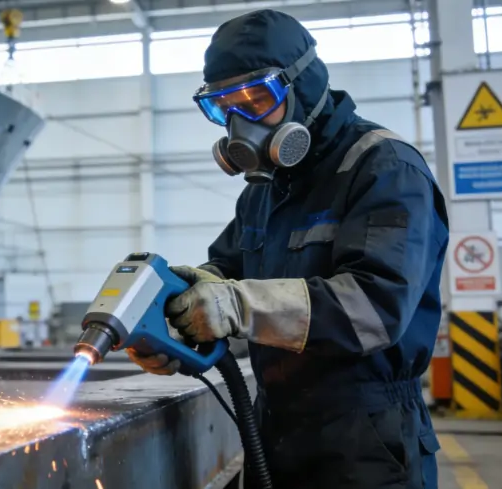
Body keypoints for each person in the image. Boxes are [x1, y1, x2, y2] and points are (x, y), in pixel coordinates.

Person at [126, 9, 449, 489]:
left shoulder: (384, 168)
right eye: (224, 107)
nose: (240, 124)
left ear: (303, 87)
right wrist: (173, 323)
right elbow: (225, 274)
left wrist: (235, 305)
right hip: (275, 432)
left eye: (256, 99)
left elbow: (374, 308)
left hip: (365, 442)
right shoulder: (264, 188)